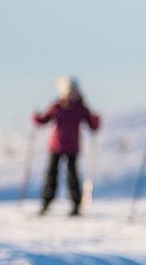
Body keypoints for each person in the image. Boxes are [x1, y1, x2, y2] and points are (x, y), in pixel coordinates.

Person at [32, 77, 100, 216]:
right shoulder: (56, 107)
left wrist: (96, 121)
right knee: (51, 175)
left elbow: (92, 125)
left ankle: (76, 205)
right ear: (63, 92)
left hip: (72, 148)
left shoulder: (81, 108)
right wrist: (37, 119)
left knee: (72, 176)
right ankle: (46, 203)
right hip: (56, 146)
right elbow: (44, 120)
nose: (72, 94)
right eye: (69, 91)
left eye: (74, 91)